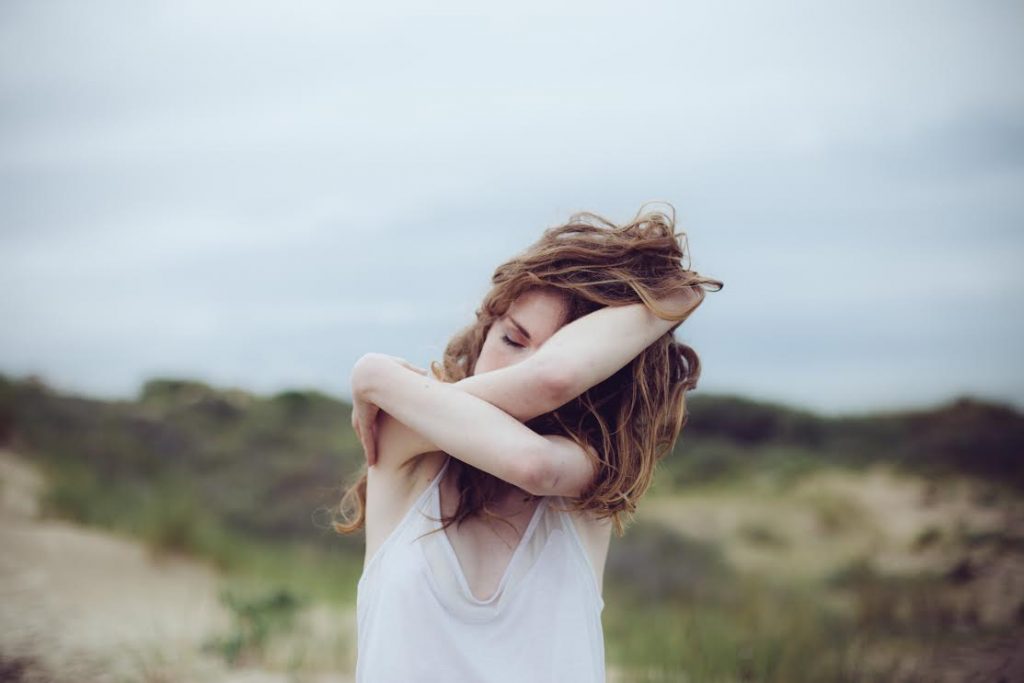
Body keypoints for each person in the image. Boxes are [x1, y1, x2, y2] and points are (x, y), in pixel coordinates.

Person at [334, 203, 722, 681]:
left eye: (565, 353)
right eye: (512, 341)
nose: (522, 373)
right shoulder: (406, 444)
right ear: (484, 330)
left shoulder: (588, 471)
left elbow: (547, 404)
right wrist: (374, 375)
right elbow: (545, 381)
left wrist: (373, 375)